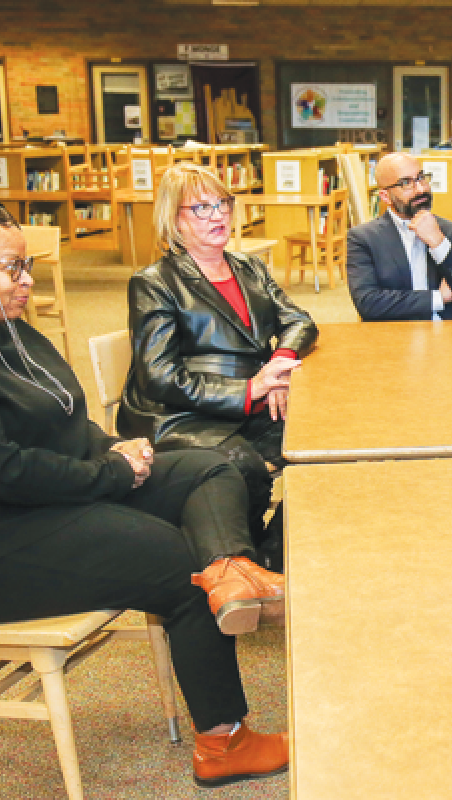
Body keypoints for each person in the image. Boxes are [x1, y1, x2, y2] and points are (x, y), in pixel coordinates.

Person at [0, 199, 288, 787]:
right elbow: (2, 474)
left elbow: (63, 417)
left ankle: (233, 571)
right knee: (176, 560)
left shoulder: (9, 328)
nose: (28, 280)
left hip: (53, 498)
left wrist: (112, 447)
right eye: (13, 267)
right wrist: (113, 475)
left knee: (208, 468)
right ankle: (223, 742)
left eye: (28, 264)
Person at [119, 164, 317, 570]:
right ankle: (242, 562)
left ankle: (272, 555)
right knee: (242, 466)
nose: (218, 216)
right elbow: (157, 375)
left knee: (324, 444)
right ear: (174, 219)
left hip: (249, 405)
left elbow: (299, 321)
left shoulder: (249, 268)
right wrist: (249, 390)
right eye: (201, 208)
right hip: (183, 416)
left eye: (223, 204)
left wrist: (278, 364)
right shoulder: (154, 282)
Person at [346, 152, 452, 321]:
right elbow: (368, 303)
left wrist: (439, 243)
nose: (421, 189)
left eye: (421, 177)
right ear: (385, 196)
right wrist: (438, 298)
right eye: (406, 183)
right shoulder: (363, 238)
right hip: (392, 337)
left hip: (448, 337)